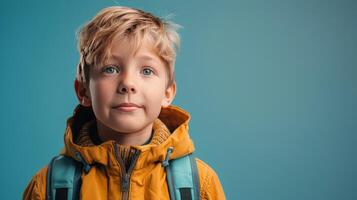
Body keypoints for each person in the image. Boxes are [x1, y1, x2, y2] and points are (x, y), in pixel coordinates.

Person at [23, 6, 226, 200]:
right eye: (110, 69)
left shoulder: (202, 184)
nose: (128, 84)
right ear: (84, 91)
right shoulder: (46, 187)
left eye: (147, 71)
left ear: (167, 93)